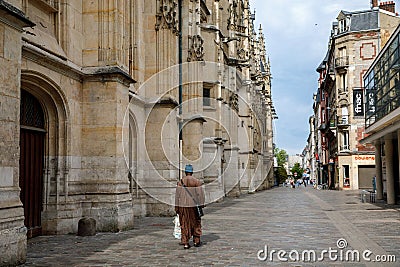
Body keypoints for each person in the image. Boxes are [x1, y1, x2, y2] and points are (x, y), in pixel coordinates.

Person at [175, 164, 205, 249]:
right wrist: (201, 204)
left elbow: (177, 196)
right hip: (194, 206)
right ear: (192, 172)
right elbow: (200, 195)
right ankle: (196, 241)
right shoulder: (197, 182)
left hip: (183, 206)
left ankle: (185, 242)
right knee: (196, 222)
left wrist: (176, 207)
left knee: (184, 223)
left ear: (185, 172)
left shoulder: (180, 182)